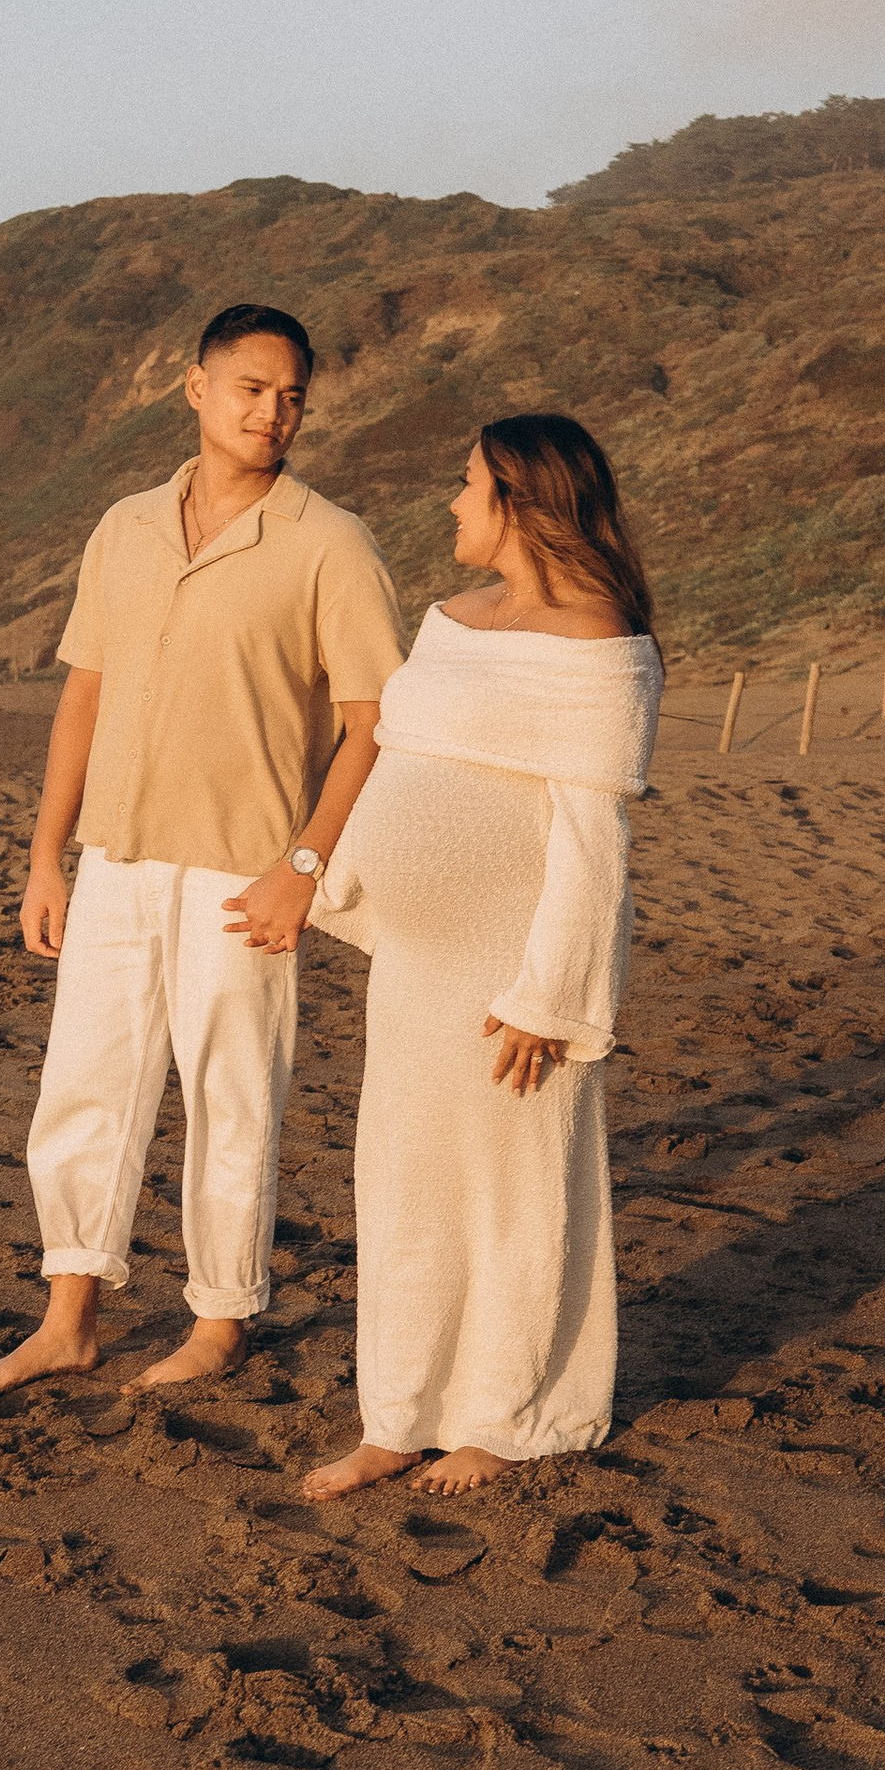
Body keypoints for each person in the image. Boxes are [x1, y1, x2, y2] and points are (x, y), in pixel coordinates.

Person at [0, 302, 407, 1398]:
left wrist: (301, 869)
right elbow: (85, 692)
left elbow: (374, 722)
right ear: (196, 390)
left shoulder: (329, 541)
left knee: (231, 1099)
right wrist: (45, 856)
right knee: (82, 1090)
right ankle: (69, 1316)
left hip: (243, 873)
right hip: (114, 859)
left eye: (293, 396)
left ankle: (220, 1320)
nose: (274, 412)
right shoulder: (123, 527)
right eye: (253, 389)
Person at [301, 412, 661, 1497]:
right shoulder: (450, 619)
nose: (450, 504)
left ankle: (506, 1419)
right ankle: (396, 1415)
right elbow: (397, 753)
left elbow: (592, 844)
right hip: (412, 965)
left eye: (465, 485)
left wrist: (548, 998)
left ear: (517, 496)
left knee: (514, 1193)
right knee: (403, 1185)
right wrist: (326, 872)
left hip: (512, 969)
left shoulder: (602, 642)